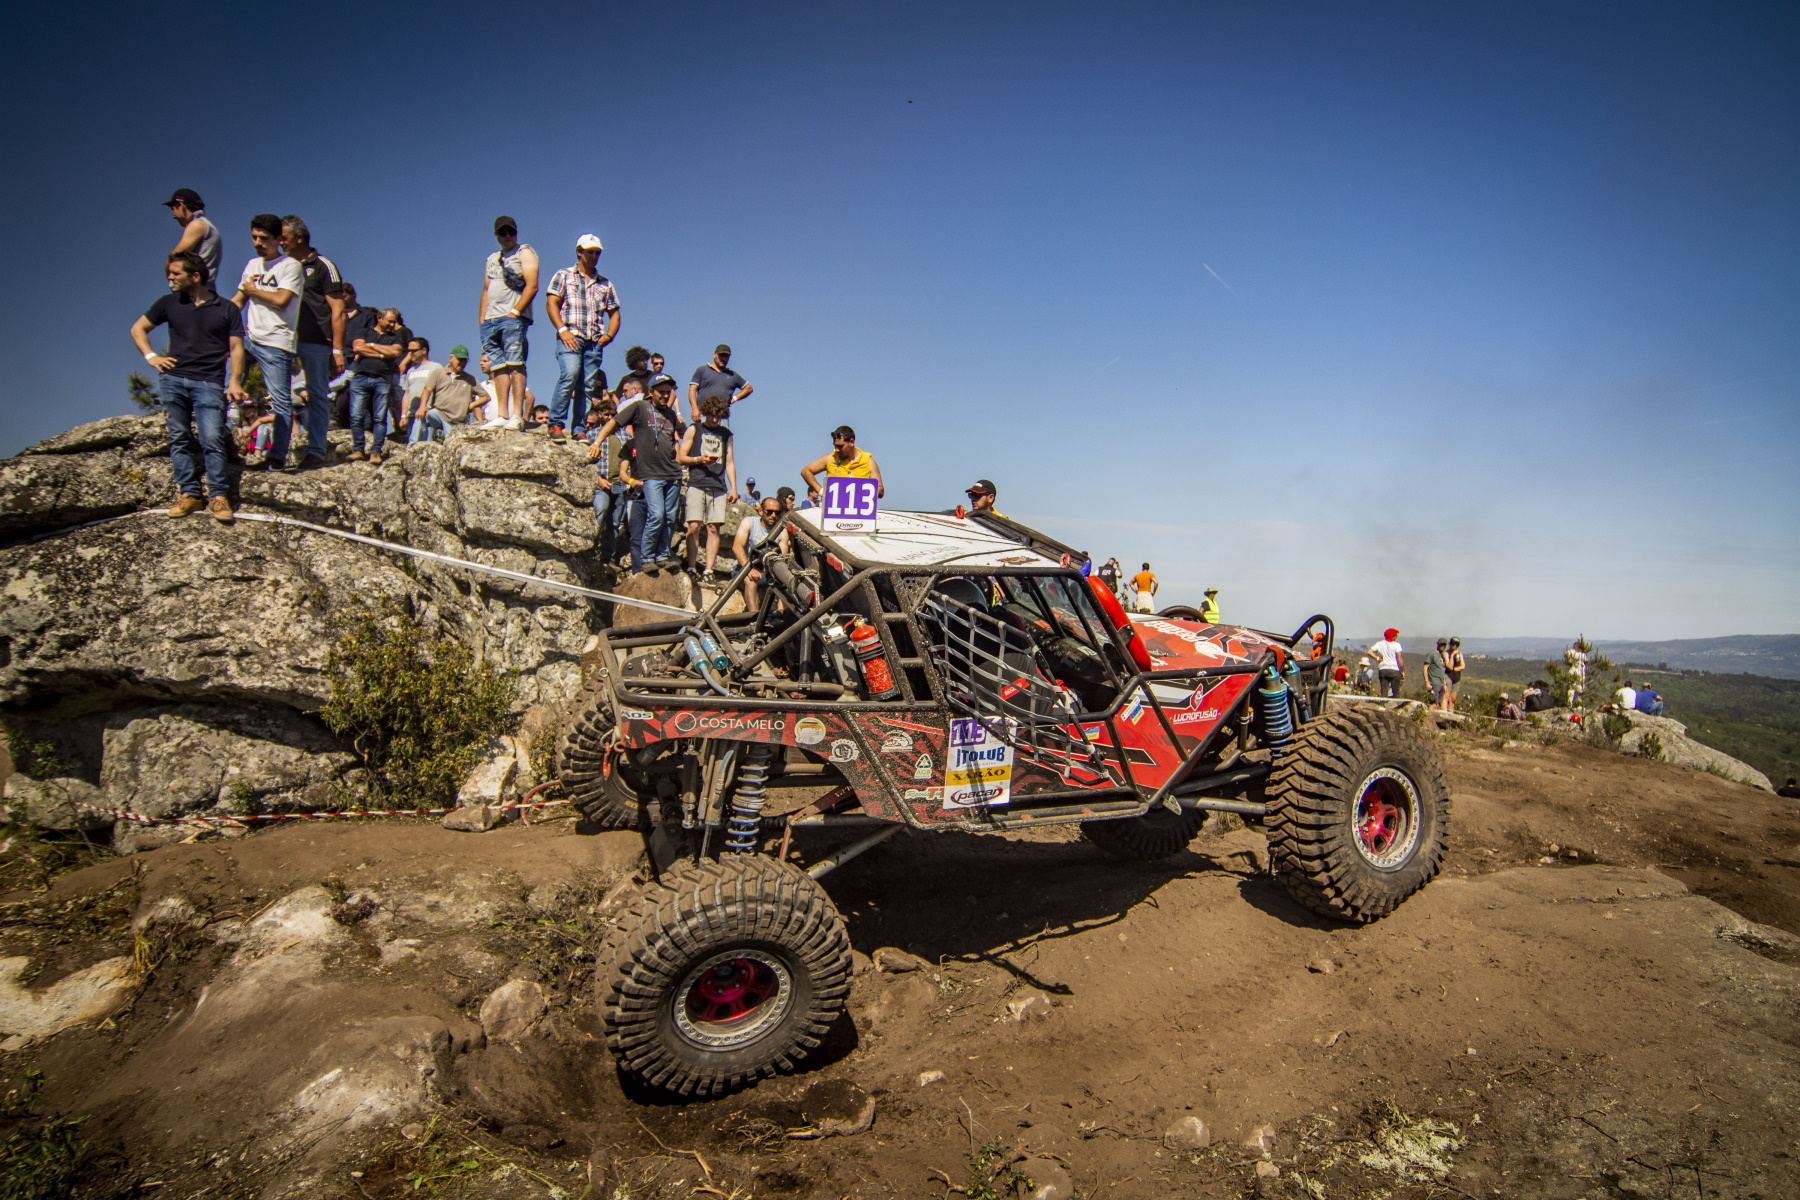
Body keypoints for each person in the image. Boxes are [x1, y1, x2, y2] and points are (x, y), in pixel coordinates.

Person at [130, 251, 249, 521]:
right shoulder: (167, 303)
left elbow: (236, 347)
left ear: (195, 276)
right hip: (173, 379)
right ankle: (190, 494)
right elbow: (138, 329)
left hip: (209, 381)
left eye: (176, 273)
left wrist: (234, 381)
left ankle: (218, 496)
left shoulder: (226, 308)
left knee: (212, 438)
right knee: (178, 438)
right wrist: (151, 357)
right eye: (169, 273)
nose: (170, 278)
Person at [230, 214, 304, 472]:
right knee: (227, 387)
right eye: (254, 237)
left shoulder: (290, 266)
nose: (258, 243)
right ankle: (225, 445)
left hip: (276, 341)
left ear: (278, 239)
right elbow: (238, 300)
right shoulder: (252, 264)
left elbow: (282, 300)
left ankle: (277, 457)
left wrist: (253, 291)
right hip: (250, 337)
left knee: (280, 401)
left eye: (264, 238)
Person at [591, 374, 685, 571]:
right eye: (661, 392)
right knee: (656, 515)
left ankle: (662, 556)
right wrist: (597, 442)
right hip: (651, 473)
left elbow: (682, 437)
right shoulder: (640, 407)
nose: (665, 396)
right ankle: (647, 558)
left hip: (672, 473)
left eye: (668, 393)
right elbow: (614, 422)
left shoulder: (669, 414)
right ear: (650, 392)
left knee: (669, 518)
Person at [278, 216, 344, 470]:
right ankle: (278, 453)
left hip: (316, 341)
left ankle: (316, 450)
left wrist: (337, 350)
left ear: (299, 238)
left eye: (284, 237)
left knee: (316, 394)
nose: (280, 242)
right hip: (284, 340)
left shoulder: (323, 265)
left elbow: (338, 310)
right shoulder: (280, 265)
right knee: (280, 396)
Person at [544, 234, 620, 442]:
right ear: (579, 252)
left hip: (593, 341)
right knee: (569, 375)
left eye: (597, 253)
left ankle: (579, 428)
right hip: (571, 336)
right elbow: (551, 303)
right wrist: (562, 329)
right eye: (590, 252)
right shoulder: (564, 275)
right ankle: (556, 424)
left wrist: (609, 336)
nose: (594, 256)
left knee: (587, 386)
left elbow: (614, 313)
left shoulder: (605, 283)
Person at [478, 215, 538, 430]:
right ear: (496, 235)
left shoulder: (524, 252)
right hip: (491, 320)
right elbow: (486, 290)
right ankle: (502, 414)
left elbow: (532, 285)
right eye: (503, 232)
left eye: (511, 231)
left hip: (512, 317)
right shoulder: (492, 259)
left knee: (515, 364)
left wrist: (515, 311)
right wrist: (482, 318)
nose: (507, 236)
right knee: (498, 367)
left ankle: (517, 415)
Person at [678, 396, 740, 578]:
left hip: (718, 485)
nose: (714, 419)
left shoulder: (726, 434)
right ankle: (691, 567)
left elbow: (729, 461)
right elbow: (681, 457)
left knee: (714, 528)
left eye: (718, 416)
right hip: (697, 482)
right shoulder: (694, 429)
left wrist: (734, 487)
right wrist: (698, 459)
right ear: (706, 413)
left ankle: (708, 570)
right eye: (712, 415)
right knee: (694, 526)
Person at [346, 307, 410, 464]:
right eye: (390, 321)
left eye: (394, 322)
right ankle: (358, 449)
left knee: (380, 417)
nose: (392, 325)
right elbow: (357, 347)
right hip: (361, 376)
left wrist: (371, 346)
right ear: (379, 318)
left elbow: (395, 352)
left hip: (382, 379)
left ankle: (376, 452)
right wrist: (382, 353)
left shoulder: (395, 338)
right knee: (356, 416)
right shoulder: (363, 332)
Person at [409, 345, 480, 444]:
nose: (462, 363)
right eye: (459, 359)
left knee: (452, 445)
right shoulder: (439, 372)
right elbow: (427, 389)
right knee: (421, 416)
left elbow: (486, 396)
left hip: (456, 420)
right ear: (451, 358)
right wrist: (422, 407)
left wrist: (470, 406)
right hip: (439, 413)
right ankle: (412, 446)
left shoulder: (469, 378)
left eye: (464, 360)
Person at [733, 496, 791, 611]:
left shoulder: (782, 531)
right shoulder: (749, 522)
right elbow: (737, 547)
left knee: (784, 580)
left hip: (768, 572)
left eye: (777, 512)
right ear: (760, 511)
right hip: (744, 567)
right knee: (751, 580)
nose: (773, 515)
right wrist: (749, 569)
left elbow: (782, 557)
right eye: (769, 512)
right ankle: (754, 617)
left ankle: (780, 615)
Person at [801, 425, 884, 503]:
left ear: (851, 442)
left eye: (840, 446)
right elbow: (806, 471)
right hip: (833, 511)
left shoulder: (868, 461)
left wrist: (859, 491)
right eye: (835, 446)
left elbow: (880, 490)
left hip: (859, 511)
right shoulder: (830, 458)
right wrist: (822, 491)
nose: (837, 449)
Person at [162, 188, 222, 289]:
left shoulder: (197, 225)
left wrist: (172, 284)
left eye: (173, 209)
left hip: (195, 293)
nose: (173, 216)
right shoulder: (209, 226)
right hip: (207, 291)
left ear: (181, 205)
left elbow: (173, 259)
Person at [689, 344, 753, 424]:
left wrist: (735, 398)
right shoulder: (702, 370)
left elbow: (749, 388)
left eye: (726, 356)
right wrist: (694, 409)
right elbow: (692, 389)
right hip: (703, 414)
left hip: (722, 417)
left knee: (723, 432)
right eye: (721, 355)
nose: (723, 359)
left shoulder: (732, 375)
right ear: (714, 355)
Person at [396, 336, 439, 443]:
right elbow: (406, 394)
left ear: (424, 350)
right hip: (411, 415)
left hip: (426, 414)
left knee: (426, 446)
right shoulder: (410, 370)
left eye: (413, 351)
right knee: (412, 445)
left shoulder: (435, 367)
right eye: (409, 351)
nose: (410, 354)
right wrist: (403, 415)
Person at [1370, 628, 1404, 698]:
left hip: (1383, 669)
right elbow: (1399, 659)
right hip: (1394, 670)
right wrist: (1402, 671)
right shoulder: (1396, 645)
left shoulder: (1380, 644)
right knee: (1396, 692)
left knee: (1384, 691)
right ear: (1393, 636)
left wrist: (1377, 658)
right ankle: (1395, 704)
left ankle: (1383, 704)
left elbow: (1369, 652)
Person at [1565, 637, 1592, 708]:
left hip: (1572, 670)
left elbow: (1568, 661)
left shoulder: (1569, 652)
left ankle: (1569, 704)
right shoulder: (1582, 654)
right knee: (1580, 688)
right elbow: (1586, 661)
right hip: (1580, 671)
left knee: (1571, 688)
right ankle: (1579, 704)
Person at [1423, 638, 1448, 708]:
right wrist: (1427, 682)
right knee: (1433, 703)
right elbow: (1425, 668)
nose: (1443, 646)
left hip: (1441, 683)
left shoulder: (1442, 656)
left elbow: (1442, 670)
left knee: (1440, 704)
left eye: (1444, 645)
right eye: (1441, 644)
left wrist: (1444, 684)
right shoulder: (1432, 654)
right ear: (1437, 644)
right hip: (1433, 682)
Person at [1444, 637, 1465, 712]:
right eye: (1453, 644)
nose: (1454, 646)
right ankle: (1445, 713)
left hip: (1456, 678)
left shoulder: (1460, 654)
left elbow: (1463, 666)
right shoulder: (1446, 653)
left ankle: (1451, 713)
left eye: (1456, 644)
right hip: (1448, 676)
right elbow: (1449, 666)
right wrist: (1452, 655)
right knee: (1447, 697)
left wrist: (1455, 669)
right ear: (1450, 644)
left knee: (1452, 699)